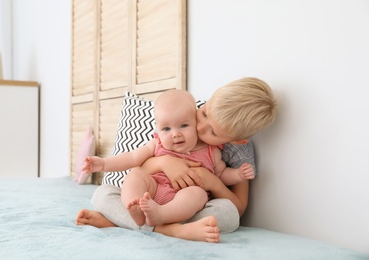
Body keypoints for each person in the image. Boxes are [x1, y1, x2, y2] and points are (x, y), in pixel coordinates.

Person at [76, 77, 277, 243]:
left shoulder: (234, 152)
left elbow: (238, 208)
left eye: (213, 132)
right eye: (204, 112)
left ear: (238, 140)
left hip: (184, 207)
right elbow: (138, 165)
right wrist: (165, 163)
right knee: (103, 193)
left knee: (227, 215)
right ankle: (174, 231)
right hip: (151, 196)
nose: (199, 127)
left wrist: (212, 181)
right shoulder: (183, 116)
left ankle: (125, 221)